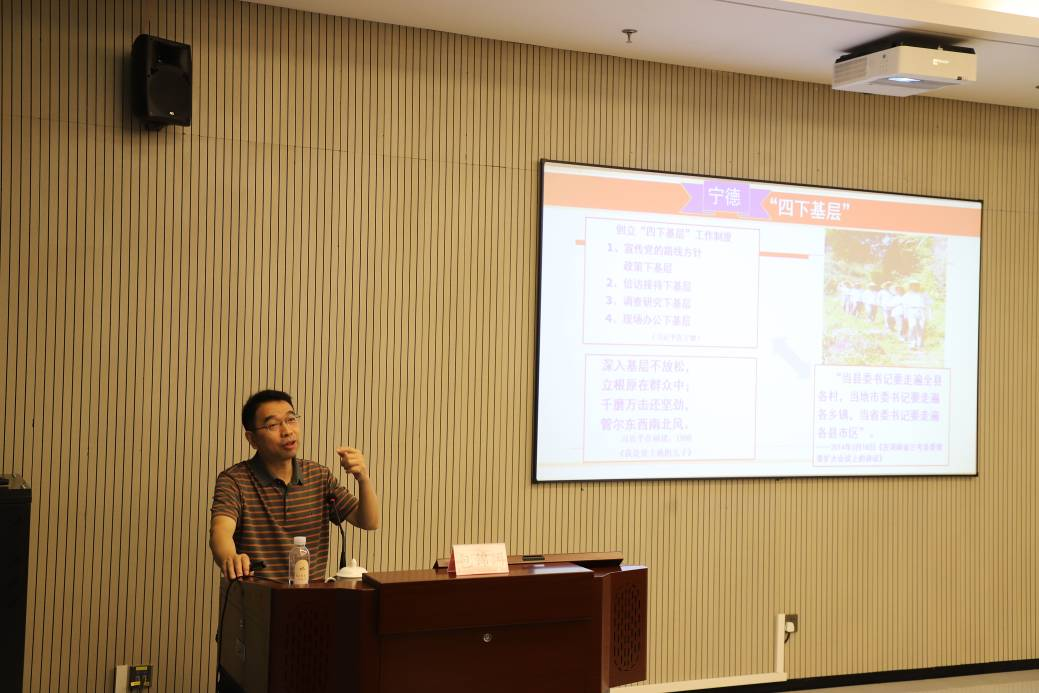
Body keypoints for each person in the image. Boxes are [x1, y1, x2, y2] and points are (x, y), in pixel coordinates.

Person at [209, 389, 381, 581]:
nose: (287, 431)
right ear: (252, 439)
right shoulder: (234, 480)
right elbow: (220, 531)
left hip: (309, 597)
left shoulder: (319, 476)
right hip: (256, 596)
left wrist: (363, 478)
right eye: (273, 425)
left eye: (291, 419)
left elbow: (369, 521)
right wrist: (231, 557)